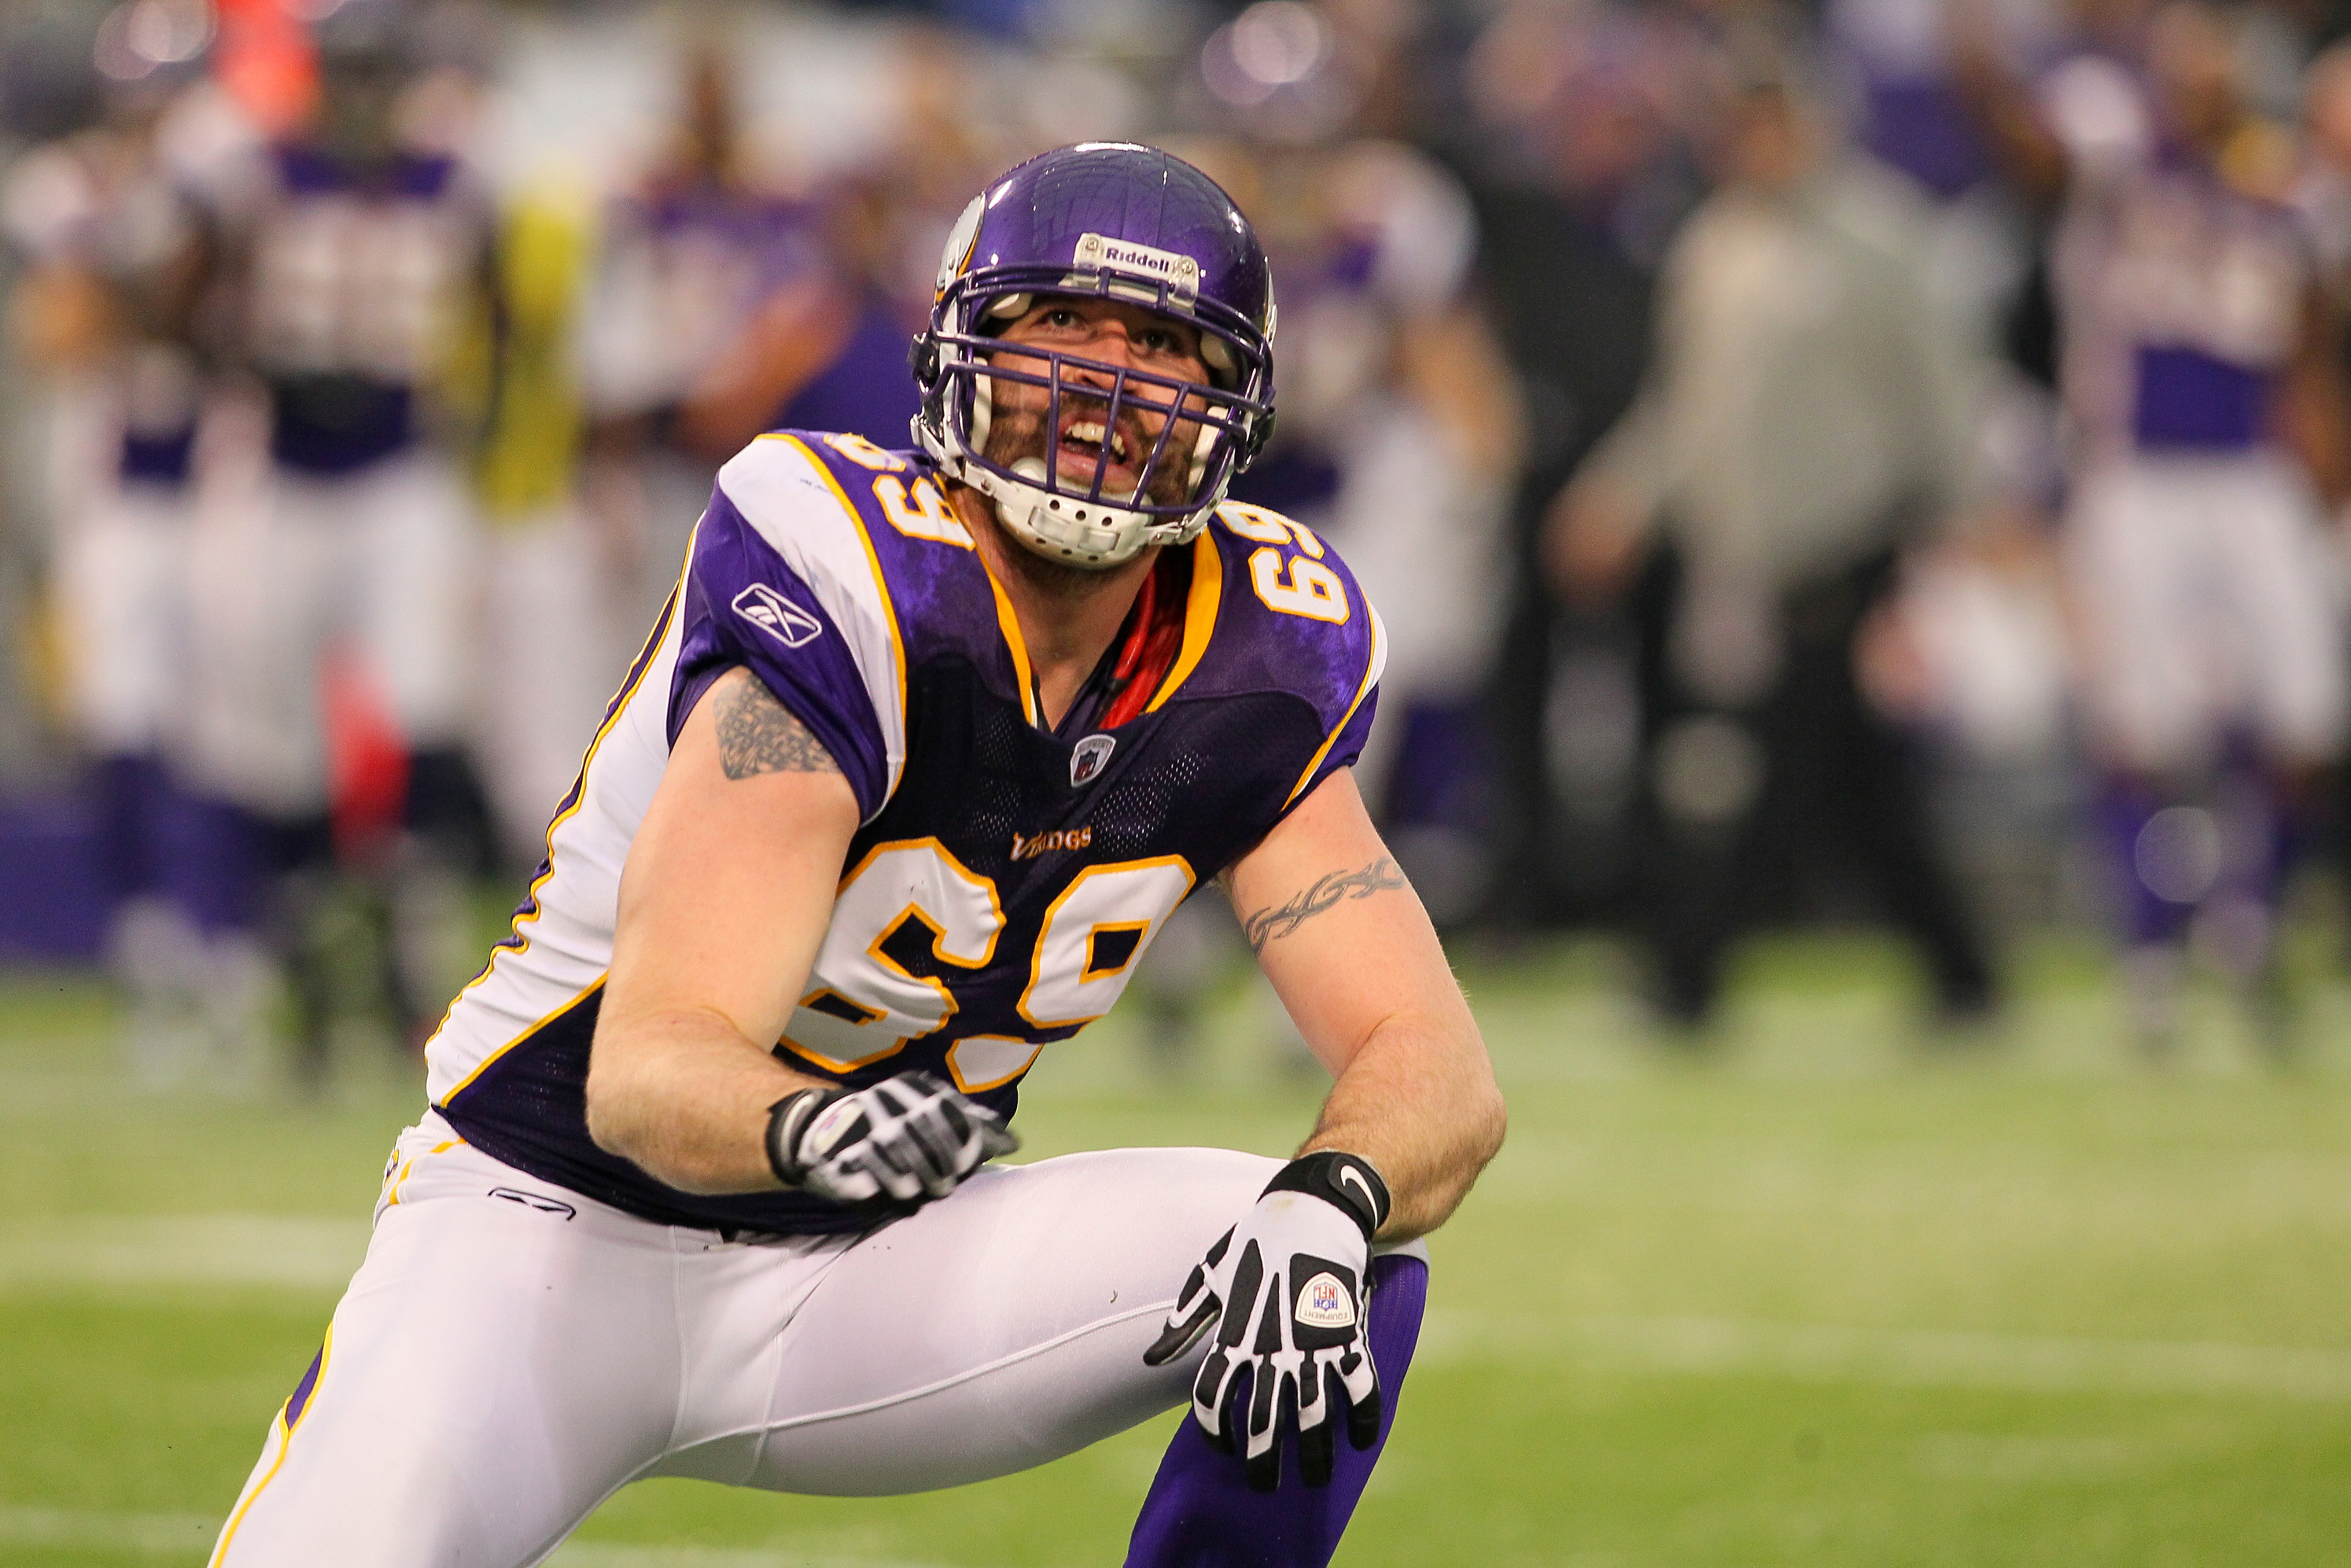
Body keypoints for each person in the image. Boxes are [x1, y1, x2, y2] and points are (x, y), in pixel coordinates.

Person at [205, 142, 1506, 1568]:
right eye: (1060, 323)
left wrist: (1332, 1191)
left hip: (860, 1274)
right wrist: (807, 1125)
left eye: (1164, 345)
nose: (1109, 381)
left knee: (1327, 1268)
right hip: (548, 1226)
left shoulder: (1260, 646)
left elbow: (1431, 1065)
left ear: (1233, 404)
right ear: (960, 345)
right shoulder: (851, 567)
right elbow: (650, 1068)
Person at [1550, 48, 2002, 1031]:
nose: (1756, 140)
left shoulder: (1881, 235)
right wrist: (1618, 495)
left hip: (1852, 548)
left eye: (1774, 118)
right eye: (1741, 122)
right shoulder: (1714, 242)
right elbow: (1684, 406)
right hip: (1742, 561)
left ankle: (1685, 970)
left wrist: (1945, 545)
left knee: (1771, 773)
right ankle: (1965, 974)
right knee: (1850, 782)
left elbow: (1943, 399)